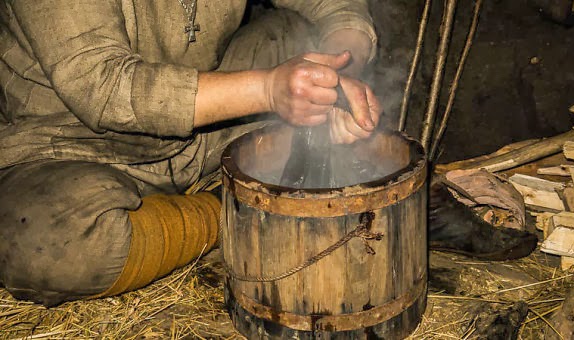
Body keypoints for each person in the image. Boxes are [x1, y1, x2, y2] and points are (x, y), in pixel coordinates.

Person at [0, 0, 381, 306]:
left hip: (206, 127)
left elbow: (336, 7)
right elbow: (102, 85)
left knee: (294, 34)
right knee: (48, 245)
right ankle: (229, 209)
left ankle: (244, 176)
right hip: (75, 147)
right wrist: (267, 91)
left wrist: (335, 76)